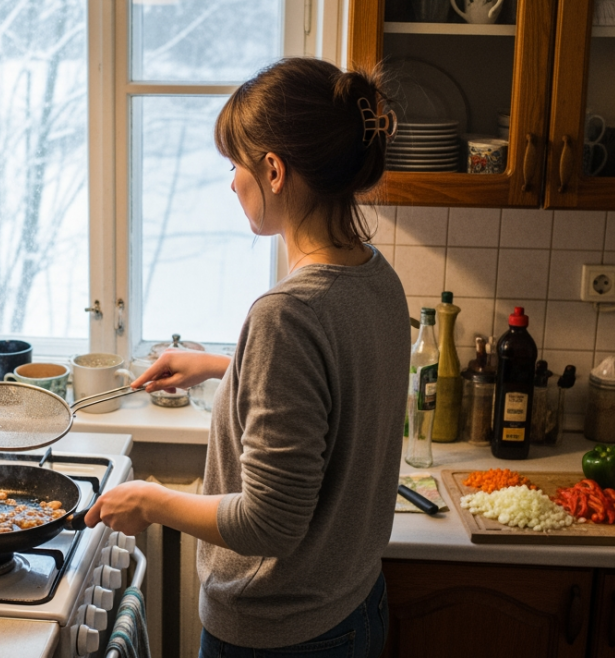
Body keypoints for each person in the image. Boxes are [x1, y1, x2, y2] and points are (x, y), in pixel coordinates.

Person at [84, 57, 409, 658]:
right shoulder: (377, 276)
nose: (232, 183)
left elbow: (270, 522)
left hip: (283, 635)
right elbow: (335, 393)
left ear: (274, 171)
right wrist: (221, 369)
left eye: (235, 165)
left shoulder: (285, 315)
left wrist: (149, 500)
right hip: (356, 606)